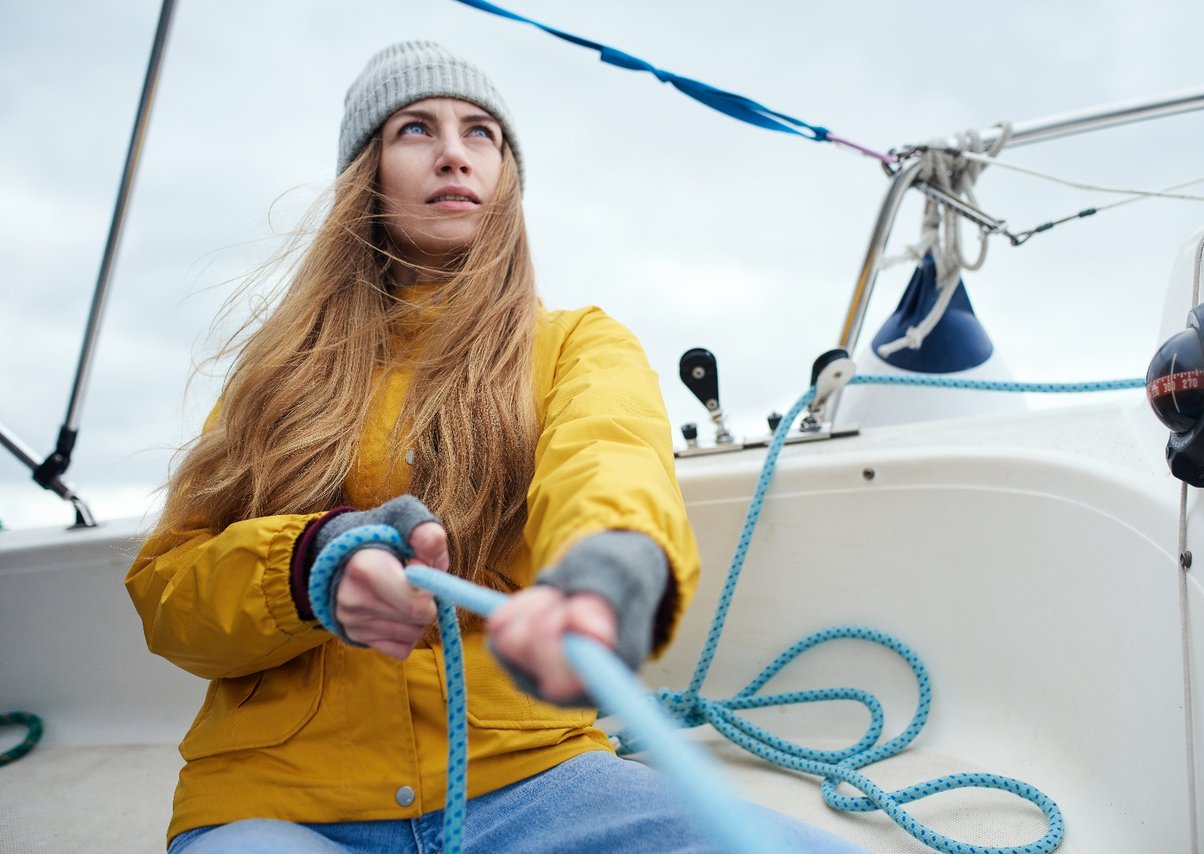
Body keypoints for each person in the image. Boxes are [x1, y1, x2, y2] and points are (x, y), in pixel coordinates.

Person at [127, 40, 864, 853]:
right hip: (276, 802)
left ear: (507, 175)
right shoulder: (275, 374)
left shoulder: (577, 343)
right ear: (364, 176)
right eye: (415, 129)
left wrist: (604, 573)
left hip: (534, 781)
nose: (453, 152)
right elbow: (169, 594)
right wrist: (311, 563)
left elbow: (608, 457)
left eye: (482, 133)